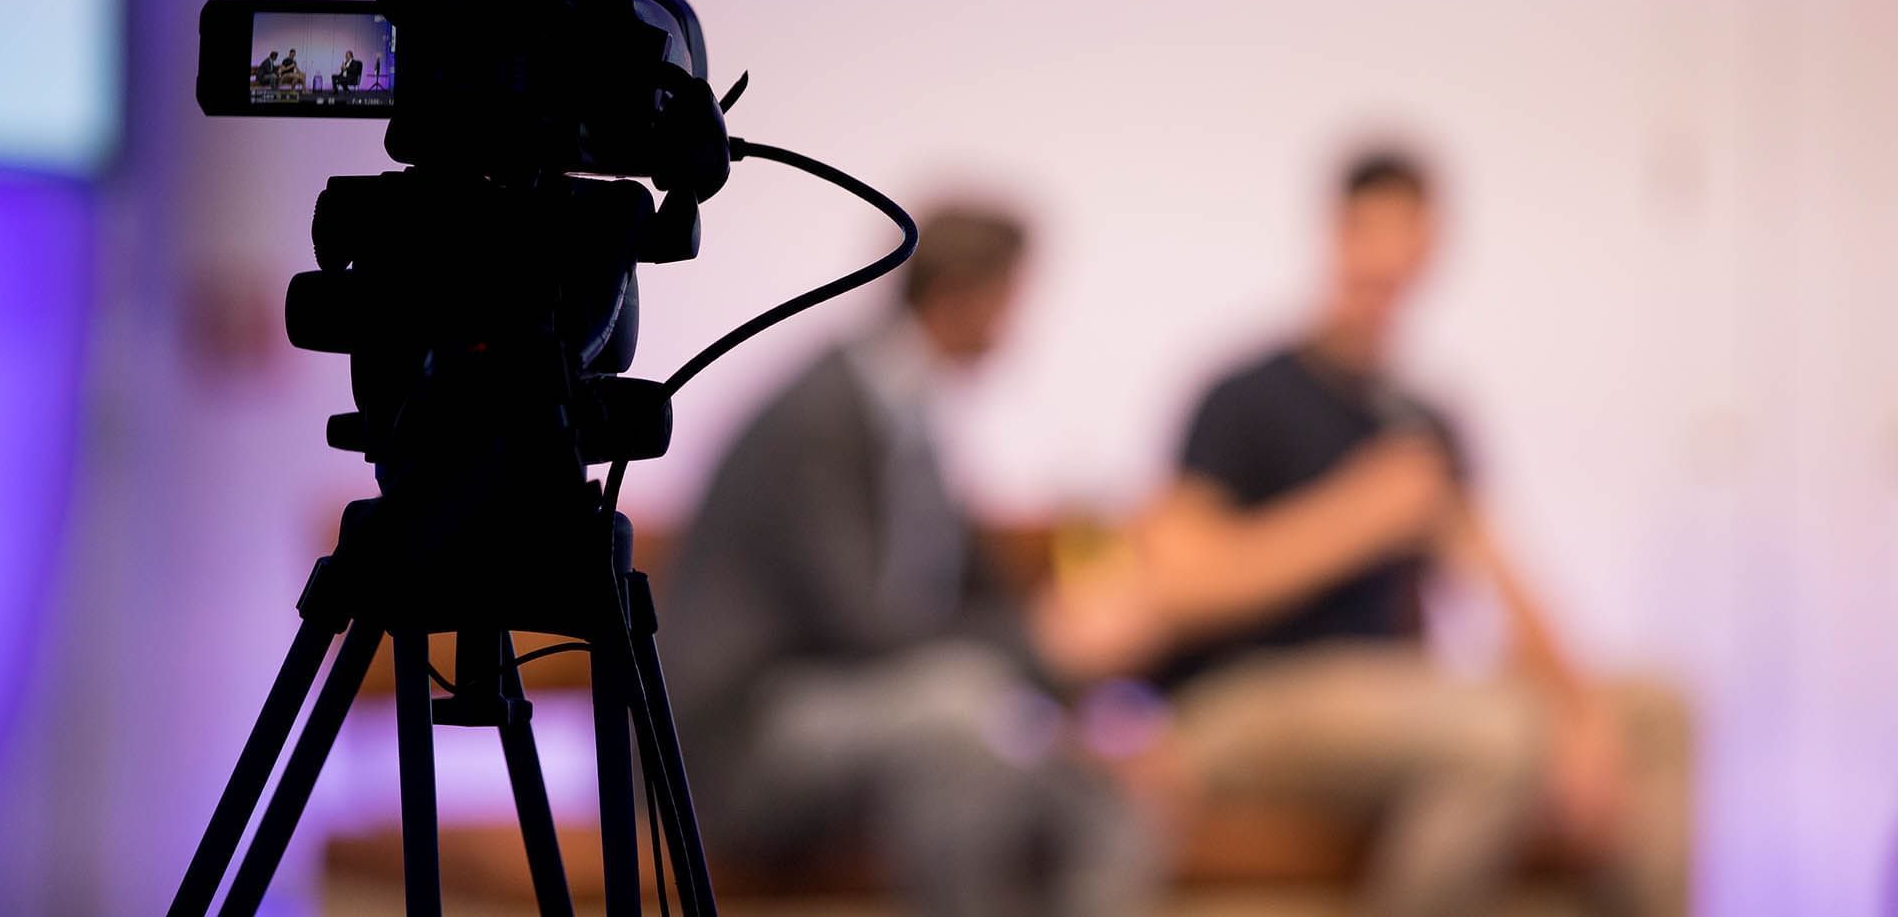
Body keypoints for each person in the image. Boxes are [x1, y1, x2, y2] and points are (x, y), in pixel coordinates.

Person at [1035, 148, 1688, 917]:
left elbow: (1501, 581)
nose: (1385, 256)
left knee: (1657, 711)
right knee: (1500, 737)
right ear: (1334, 233)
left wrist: (1582, 717)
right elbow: (1177, 586)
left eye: (1406, 234)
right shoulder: (1243, 396)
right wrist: (1356, 515)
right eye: (1368, 231)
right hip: (1252, 698)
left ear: (1432, 249)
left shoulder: (1427, 419)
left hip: (1390, 695)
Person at [665, 203, 1159, 917]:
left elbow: (974, 594)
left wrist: (1077, 694)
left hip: (867, 714)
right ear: (960, 297)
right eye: (1010, 302)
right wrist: (1041, 647)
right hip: (742, 735)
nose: (1015, 331)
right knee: (957, 719)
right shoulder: (819, 417)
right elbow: (865, 624)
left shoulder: (911, 421)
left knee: (1102, 790)